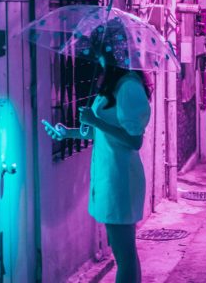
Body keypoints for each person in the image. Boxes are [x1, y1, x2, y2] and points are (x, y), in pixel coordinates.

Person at [44, 36, 151, 283]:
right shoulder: (113, 86)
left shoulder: (128, 86)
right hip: (109, 177)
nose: (94, 56)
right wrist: (67, 132)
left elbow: (135, 140)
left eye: (98, 50)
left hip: (121, 179)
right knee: (125, 252)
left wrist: (96, 121)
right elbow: (100, 131)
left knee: (123, 256)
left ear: (112, 52)